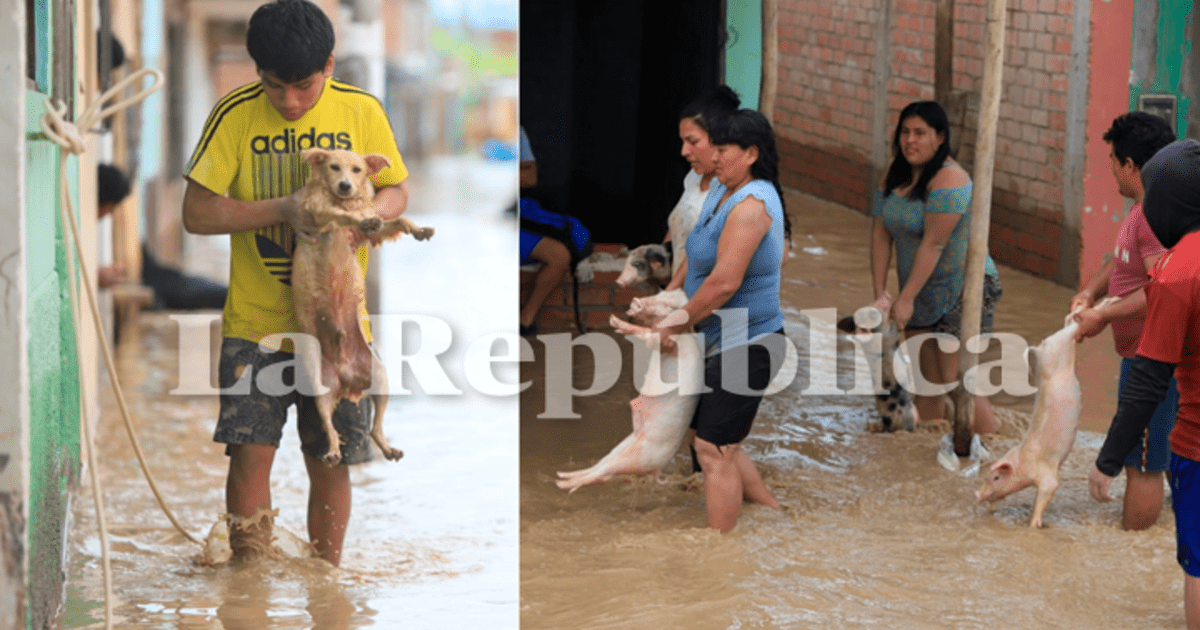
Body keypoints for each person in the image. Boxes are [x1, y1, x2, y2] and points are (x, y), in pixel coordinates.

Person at [180, 0, 410, 567]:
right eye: (274, 85)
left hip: (338, 325)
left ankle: (325, 582)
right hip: (256, 326)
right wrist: (283, 209)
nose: (289, 101)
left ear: (329, 65)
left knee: (333, 460)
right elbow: (197, 213)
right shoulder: (233, 115)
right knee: (249, 455)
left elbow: (398, 191)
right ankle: (249, 581)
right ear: (257, 71)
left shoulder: (362, 111)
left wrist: (368, 221)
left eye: (303, 86)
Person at [656, 108, 791, 532]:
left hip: (750, 340)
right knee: (715, 440)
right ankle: (775, 513)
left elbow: (724, 282)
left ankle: (719, 554)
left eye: (721, 149)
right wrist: (669, 299)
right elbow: (697, 255)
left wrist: (676, 320)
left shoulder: (752, 205)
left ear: (750, 153)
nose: (711, 157)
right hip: (719, 335)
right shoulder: (721, 189)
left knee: (713, 449)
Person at [1088, 139, 1200, 629]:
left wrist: (1108, 459)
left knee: (1199, 566)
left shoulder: (1180, 273)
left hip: (1197, 444)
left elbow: (1151, 376)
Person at [1070, 111, 1177, 531]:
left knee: (1142, 463)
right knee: (1173, 452)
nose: (1111, 169)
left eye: (1114, 160)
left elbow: (1162, 290)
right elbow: (1123, 260)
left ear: (1131, 165)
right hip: (1162, 354)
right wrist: (1090, 291)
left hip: (1154, 357)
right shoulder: (1148, 207)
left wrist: (1102, 315)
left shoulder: (1153, 215)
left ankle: (1133, 546)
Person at [870, 100, 1002, 433]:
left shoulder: (951, 178)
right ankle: (923, 464)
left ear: (940, 138)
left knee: (956, 380)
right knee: (926, 382)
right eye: (905, 132)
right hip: (919, 288)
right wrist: (882, 295)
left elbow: (934, 243)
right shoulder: (893, 175)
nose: (910, 141)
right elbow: (880, 233)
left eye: (920, 133)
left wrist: (906, 298)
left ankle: (994, 449)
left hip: (964, 287)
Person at [97, 164, 227, 310]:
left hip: (149, 273)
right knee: (188, 290)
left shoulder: (110, 234)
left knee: (189, 288)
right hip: (148, 278)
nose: (109, 213)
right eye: (111, 207)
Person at [666, 85, 742, 277]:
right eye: (683, 142)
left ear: (719, 137)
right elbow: (679, 231)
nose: (684, 151)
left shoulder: (739, 194)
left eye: (693, 142)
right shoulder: (693, 178)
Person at [518, 125, 571, 335]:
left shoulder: (516, 131)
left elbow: (530, 177)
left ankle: (525, 321)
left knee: (559, 255)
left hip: (507, 222)